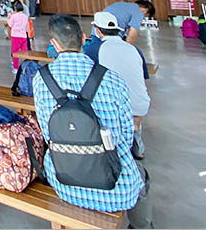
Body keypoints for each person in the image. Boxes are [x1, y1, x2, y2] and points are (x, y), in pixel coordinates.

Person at [33, 14, 151, 228]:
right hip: (116, 187)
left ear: (54, 45)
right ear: (84, 38)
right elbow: (125, 135)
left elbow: (46, 132)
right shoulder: (111, 79)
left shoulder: (41, 79)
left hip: (63, 179)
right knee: (141, 176)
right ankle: (143, 226)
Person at [86, 11, 151, 158]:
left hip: (114, 105)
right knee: (132, 110)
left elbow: (86, 78)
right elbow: (144, 77)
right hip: (140, 105)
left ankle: (114, 145)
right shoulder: (134, 49)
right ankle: (135, 134)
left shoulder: (95, 49)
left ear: (97, 30)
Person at [7, 0, 33, 74]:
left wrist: (9, 17)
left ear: (14, 9)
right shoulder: (25, 16)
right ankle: (27, 66)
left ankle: (15, 68)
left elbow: (10, 25)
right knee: (25, 51)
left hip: (15, 36)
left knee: (15, 52)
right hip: (23, 36)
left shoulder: (14, 16)